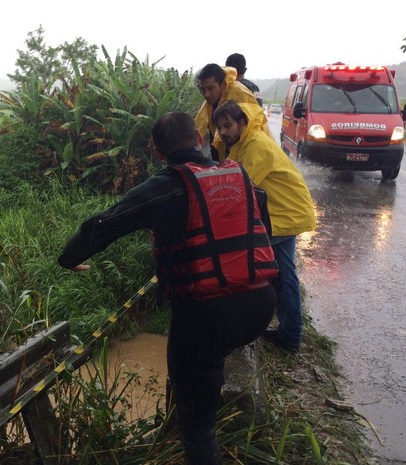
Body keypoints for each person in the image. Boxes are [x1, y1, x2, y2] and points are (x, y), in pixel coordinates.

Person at [58, 111, 278, 465]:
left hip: (206, 314)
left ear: (158, 152)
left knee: (199, 427)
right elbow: (261, 221)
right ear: (199, 135)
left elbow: (104, 224)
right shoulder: (239, 175)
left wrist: (68, 259)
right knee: (209, 359)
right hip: (261, 304)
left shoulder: (166, 186)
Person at [212, 100, 317, 351]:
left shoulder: (255, 145)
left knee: (276, 273)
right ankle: (289, 332)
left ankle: (286, 333)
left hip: (283, 214)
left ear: (242, 122)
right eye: (220, 128)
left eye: (228, 126)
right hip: (279, 212)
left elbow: (238, 190)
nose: (223, 132)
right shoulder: (242, 143)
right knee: (282, 273)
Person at [194, 63, 270, 162]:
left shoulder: (239, 94)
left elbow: (250, 129)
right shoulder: (210, 102)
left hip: (251, 152)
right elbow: (199, 125)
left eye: (210, 88)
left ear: (223, 84)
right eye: (203, 89)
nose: (206, 94)